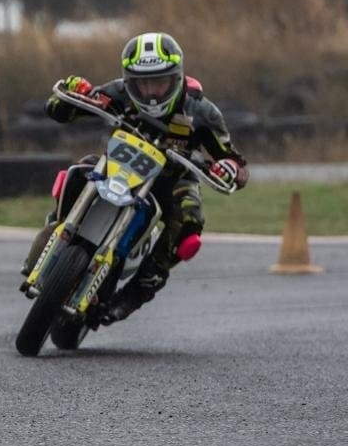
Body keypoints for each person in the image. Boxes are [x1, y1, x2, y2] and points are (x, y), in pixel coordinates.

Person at [26, 31, 247, 323]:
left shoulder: (202, 111)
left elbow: (235, 163)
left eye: (159, 82)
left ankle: (137, 291)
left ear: (176, 78)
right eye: (142, 83)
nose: (152, 92)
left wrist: (228, 167)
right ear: (128, 80)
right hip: (118, 166)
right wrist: (72, 92)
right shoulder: (117, 91)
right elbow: (58, 111)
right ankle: (59, 228)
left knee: (190, 221)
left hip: (173, 178)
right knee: (79, 172)